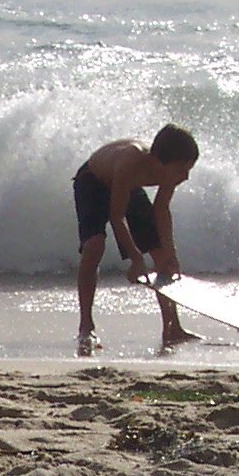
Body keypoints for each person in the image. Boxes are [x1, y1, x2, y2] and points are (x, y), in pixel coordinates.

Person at [73, 123, 198, 355]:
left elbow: (162, 209)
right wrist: (136, 258)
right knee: (94, 246)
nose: (186, 176)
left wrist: (171, 255)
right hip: (93, 181)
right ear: (162, 161)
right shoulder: (131, 161)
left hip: (128, 188)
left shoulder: (170, 173)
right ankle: (86, 327)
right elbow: (117, 216)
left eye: (189, 168)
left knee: (161, 255)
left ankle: (173, 328)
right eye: (182, 168)